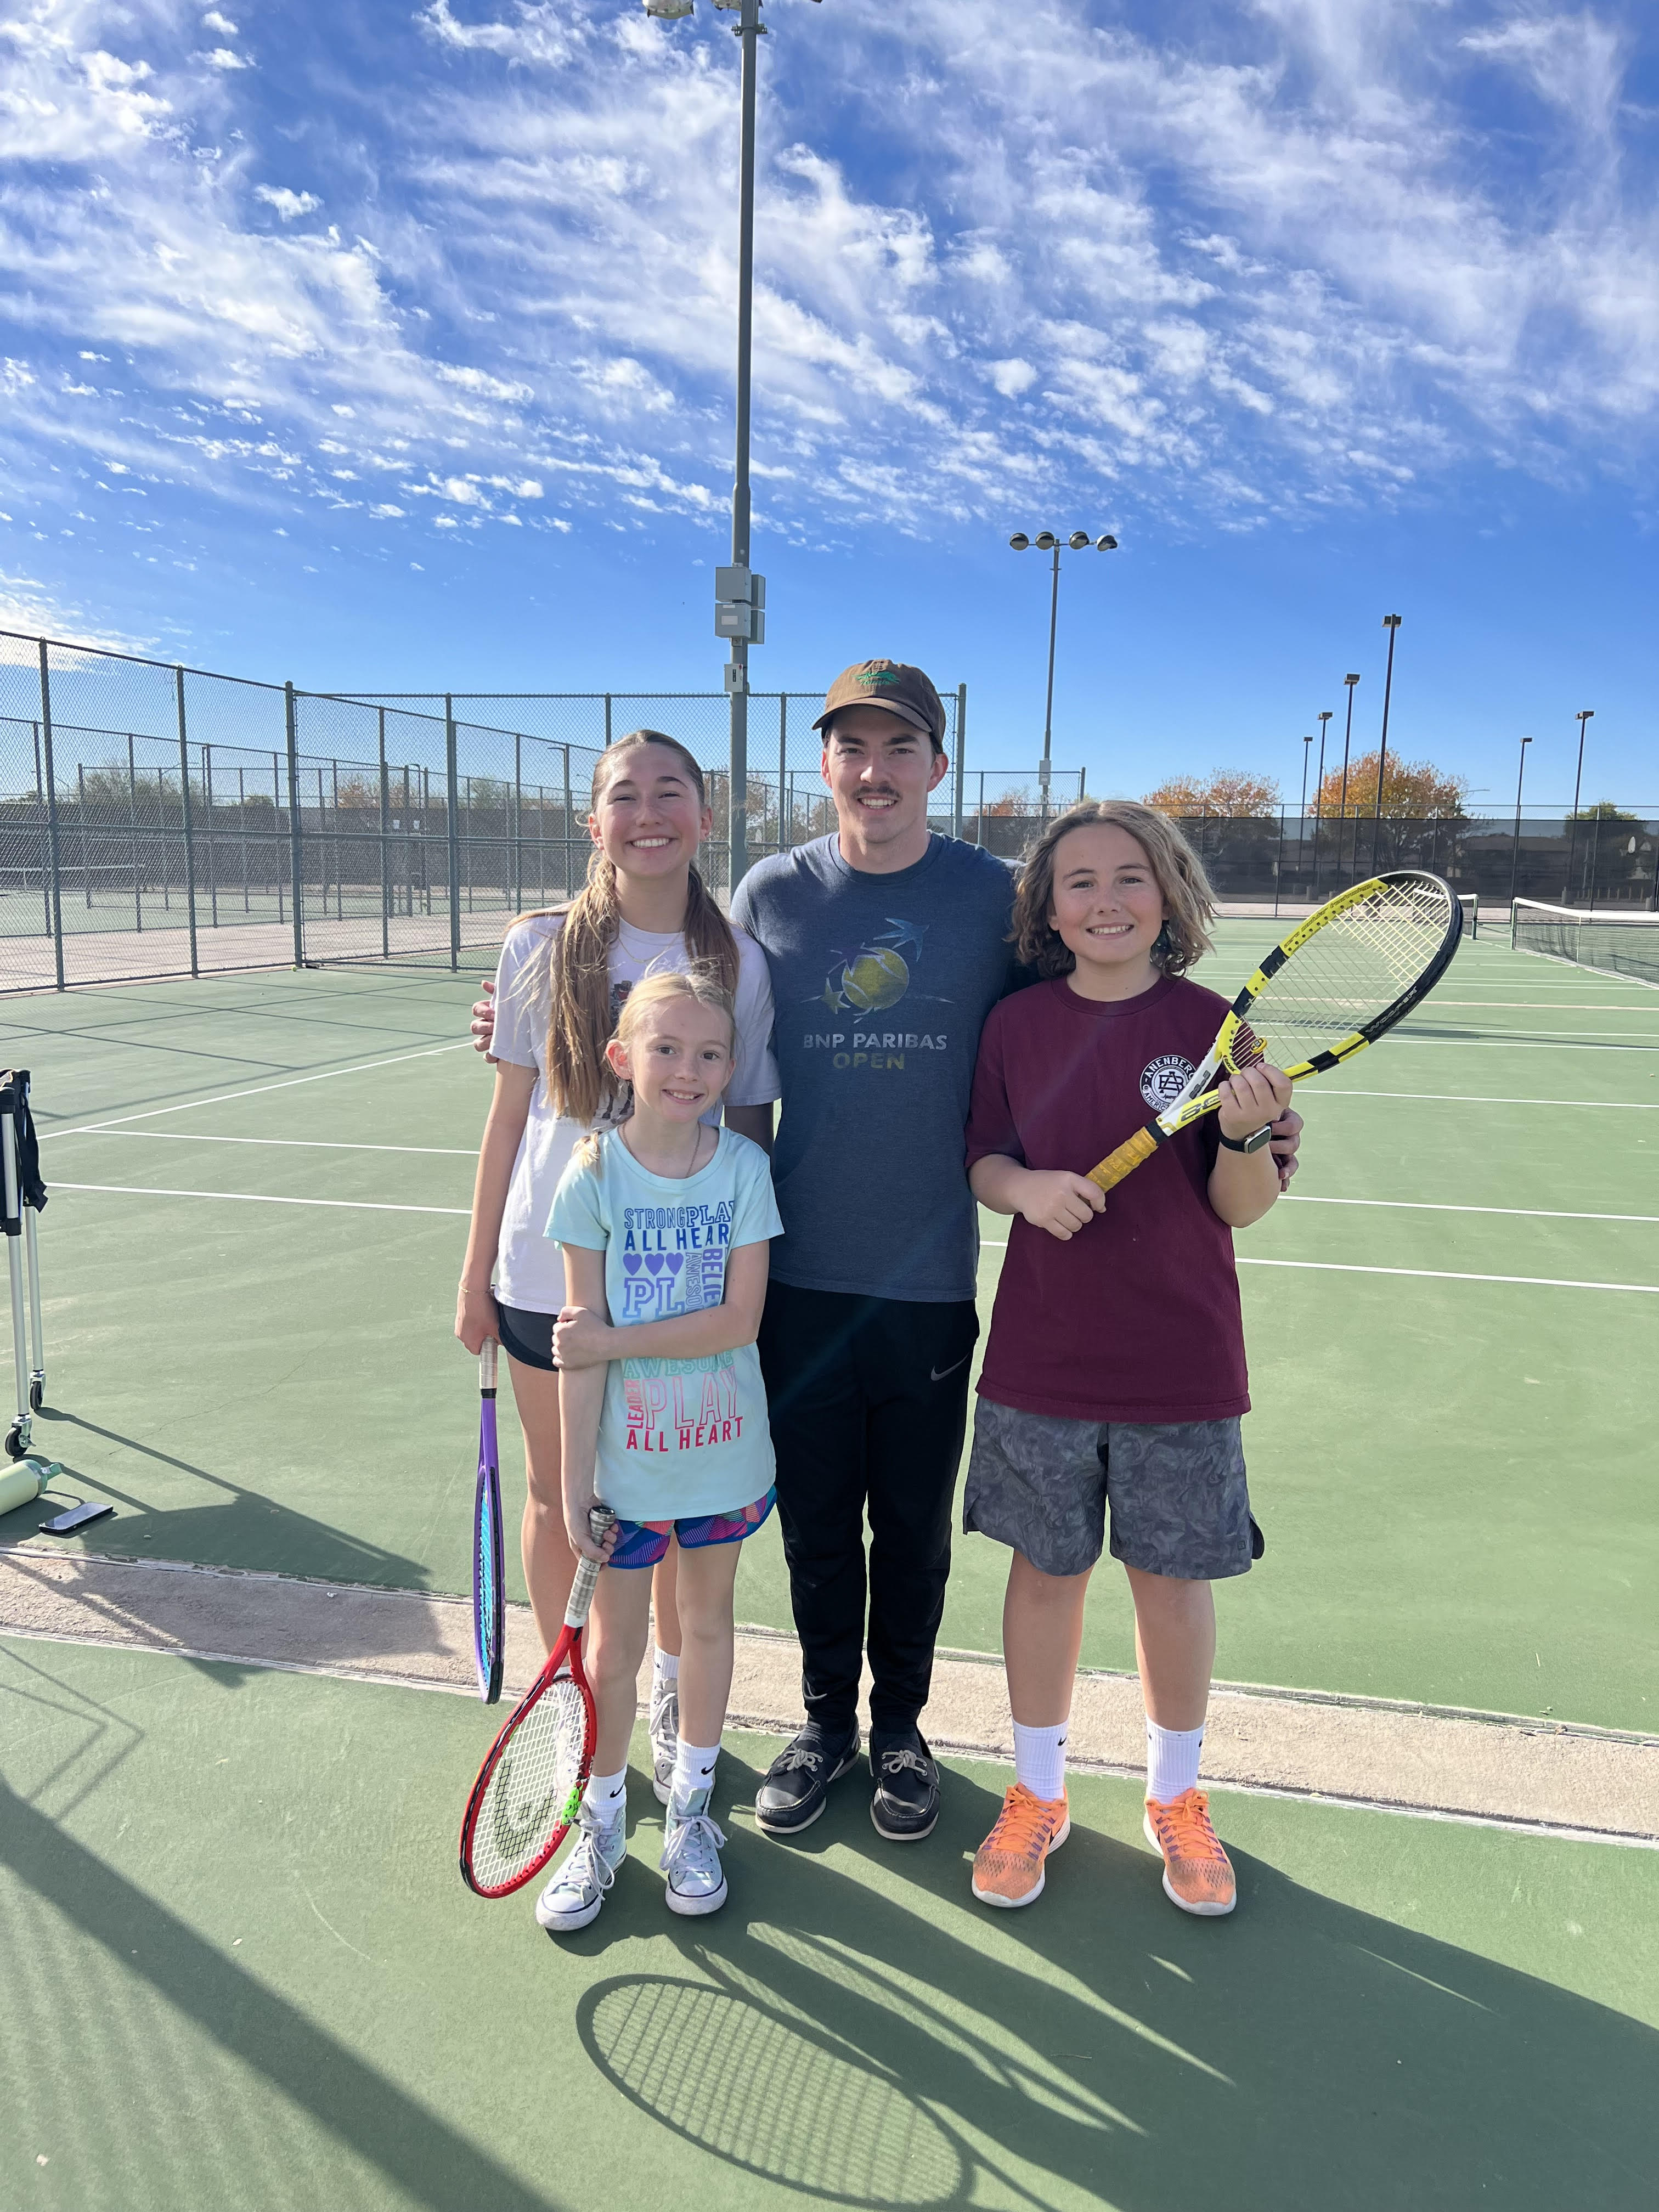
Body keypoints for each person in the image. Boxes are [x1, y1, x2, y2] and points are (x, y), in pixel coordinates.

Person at [475, 662, 1304, 1846]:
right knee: (814, 1525)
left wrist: (1257, 1125)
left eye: (899, 748)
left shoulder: (996, 899)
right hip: (790, 1275)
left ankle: (903, 1729)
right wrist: (518, 1006)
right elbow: (680, 1021)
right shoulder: (768, 896)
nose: (874, 772)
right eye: (852, 750)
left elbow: (1096, 1012)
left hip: (927, 1281)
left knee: (911, 1530)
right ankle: (823, 1728)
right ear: (826, 766)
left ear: (937, 765)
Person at [962, 800, 1288, 1918]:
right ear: (1048, 911)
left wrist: (1244, 1134)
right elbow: (983, 1162)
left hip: (1181, 1365)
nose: (1106, 900)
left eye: (1130, 878)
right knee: (1046, 1576)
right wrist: (1026, 1188)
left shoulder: (1217, 1029)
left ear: (1171, 895)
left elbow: (1240, 1206)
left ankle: (1176, 1796)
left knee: (1172, 1587)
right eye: (1081, 882)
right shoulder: (1015, 1027)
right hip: (1041, 1361)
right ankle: (1039, 1791)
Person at [454, 731, 779, 1805]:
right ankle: (568, 1706)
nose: (650, 814)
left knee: (681, 1511)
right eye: (625, 797)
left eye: (671, 794)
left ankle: (681, 1706)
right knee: (560, 1504)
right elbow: (508, 1124)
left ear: (705, 815)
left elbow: (747, 1129)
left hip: (680, 1303)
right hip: (546, 1291)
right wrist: (473, 1278)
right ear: (594, 824)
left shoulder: (739, 961)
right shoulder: (539, 947)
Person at [535, 968, 784, 1931]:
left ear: (731, 1067)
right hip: (627, 1473)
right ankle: (599, 1822)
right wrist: (572, 1481)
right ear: (621, 1058)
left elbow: (738, 1320)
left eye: (710, 1053)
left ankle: (690, 1813)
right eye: (667, 1049)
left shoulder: (744, 1171)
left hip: (723, 1459)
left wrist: (610, 1340)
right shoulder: (592, 1174)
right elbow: (575, 1344)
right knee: (618, 1643)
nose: (688, 1070)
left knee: (709, 1625)